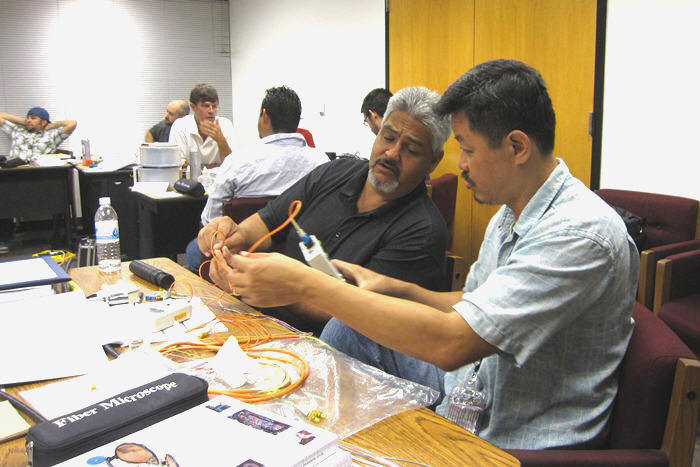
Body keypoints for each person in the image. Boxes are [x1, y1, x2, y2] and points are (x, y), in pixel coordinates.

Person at [210, 60, 639, 450]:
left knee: (349, 330)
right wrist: (398, 289)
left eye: (468, 149)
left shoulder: (579, 235)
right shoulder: (512, 212)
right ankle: (308, 438)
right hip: (472, 388)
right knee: (349, 332)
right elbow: (473, 304)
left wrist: (305, 282)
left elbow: (454, 342)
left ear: (517, 147)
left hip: (510, 436)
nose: (462, 165)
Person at [200, 86, 450, 337]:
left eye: (412, 150)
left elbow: (362, 316)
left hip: (319, 347)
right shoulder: (335, 172)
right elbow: (266, 221)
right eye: (388, 137)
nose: (392, 154)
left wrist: (280, 289)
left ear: (432, 161)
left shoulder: (422, 231)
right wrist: (235, 235)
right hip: (249, 316)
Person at [185, 86, 330, 272]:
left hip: (240, 259)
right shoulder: (322, 162)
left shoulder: (238, 160)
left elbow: (210, 220)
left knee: (192, 251)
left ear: (265, 116)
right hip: (301, 260)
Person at [169, 84, 234, 168]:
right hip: (189, 180)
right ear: (193, 107)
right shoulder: (180, 125)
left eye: (214, 106)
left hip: (219, 180)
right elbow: (179, 166)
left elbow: (232, 165)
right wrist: (214, 167)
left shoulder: (225, 124)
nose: (211, 111)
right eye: (206, 106)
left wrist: (221, 140)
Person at [0, 107, 77, 162]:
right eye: (28, 118)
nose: (29, 120)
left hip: (38, 174)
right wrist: (23, 121)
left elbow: (72, 123)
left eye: (33, 118)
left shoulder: (52, 136)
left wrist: (52, 125)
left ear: (43, 122)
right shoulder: (17, 131)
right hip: (14, 172)